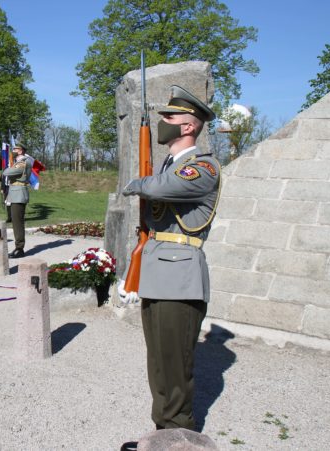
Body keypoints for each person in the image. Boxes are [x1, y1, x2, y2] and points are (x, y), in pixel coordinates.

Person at [120, 85, 220, 437]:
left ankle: (180, 435)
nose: (163, 122)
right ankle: (163, 431)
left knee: (175, 368)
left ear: (189, 126)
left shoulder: (203, 167)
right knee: (159, 365)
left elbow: (160, 189)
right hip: (157, 274)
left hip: (180, 279)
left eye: (170, 117)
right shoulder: (168, 165)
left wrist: (137, 180)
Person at [2, 142, 32, 258]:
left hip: (19, 194)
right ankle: (18, 247)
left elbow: (6, 172)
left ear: (21, 150)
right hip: (16, 194)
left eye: (15, 149)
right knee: (16, 222)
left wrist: (10, 163)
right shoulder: (19, 162)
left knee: (18, 223)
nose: (13, 151)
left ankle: (19, 248)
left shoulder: (23, 163)